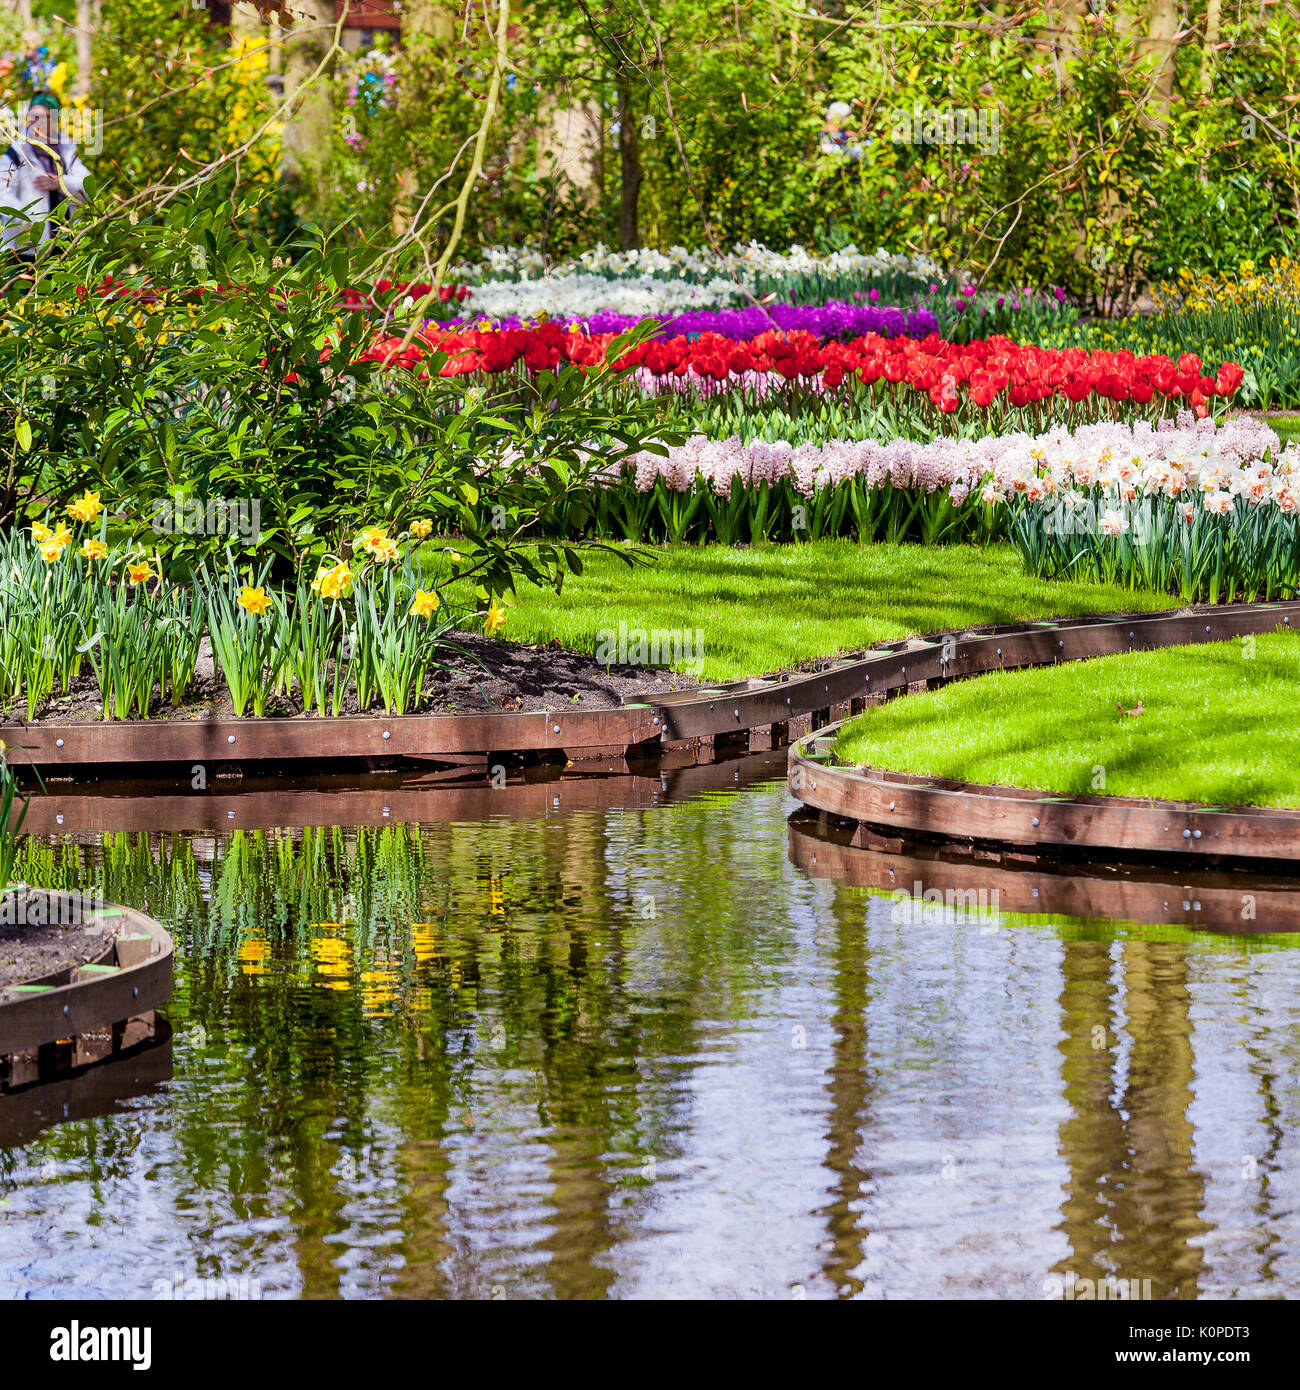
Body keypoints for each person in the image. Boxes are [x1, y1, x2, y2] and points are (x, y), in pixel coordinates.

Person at [0, 91, 90, 260]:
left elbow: (87, 186)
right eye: (32, 116)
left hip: (64, 245)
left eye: (43, 117)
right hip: (26, 250)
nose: (36, 122)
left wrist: (61, 182)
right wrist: (22, 221)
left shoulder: (66, 149)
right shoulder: (17, 152)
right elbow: (2, 193)